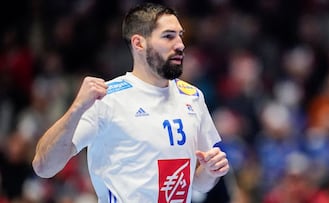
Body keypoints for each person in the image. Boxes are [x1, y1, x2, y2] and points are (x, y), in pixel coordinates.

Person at [32, 3, 229, 203]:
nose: (180, 44)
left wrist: (211, 171)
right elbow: (43, 167)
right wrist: (76, 108)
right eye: (169, 36)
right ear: (139, 43)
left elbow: (199, 183)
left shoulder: (192, 97)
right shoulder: (107, 99)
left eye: (180, 35)